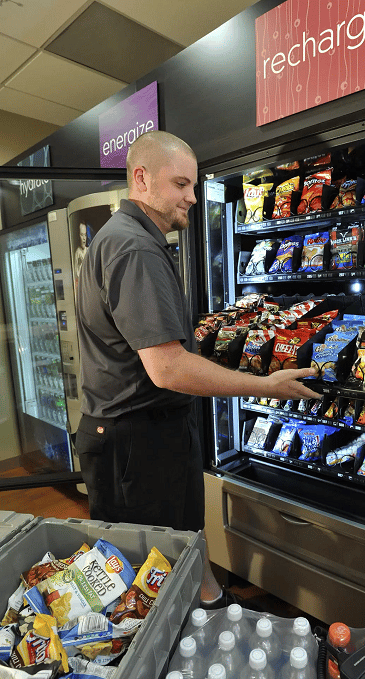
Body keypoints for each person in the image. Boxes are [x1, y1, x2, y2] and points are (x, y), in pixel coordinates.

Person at [75, 130, 319, 608]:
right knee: (148, 576)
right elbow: (167, 369)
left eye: (193, 185)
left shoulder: (117, 237)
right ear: (141, 180)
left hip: (128, 438)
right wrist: (263, 384)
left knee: (175, 547)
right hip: (138, 445)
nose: (192, 196)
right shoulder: (137, 249)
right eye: (181, 184)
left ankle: (209, 599)